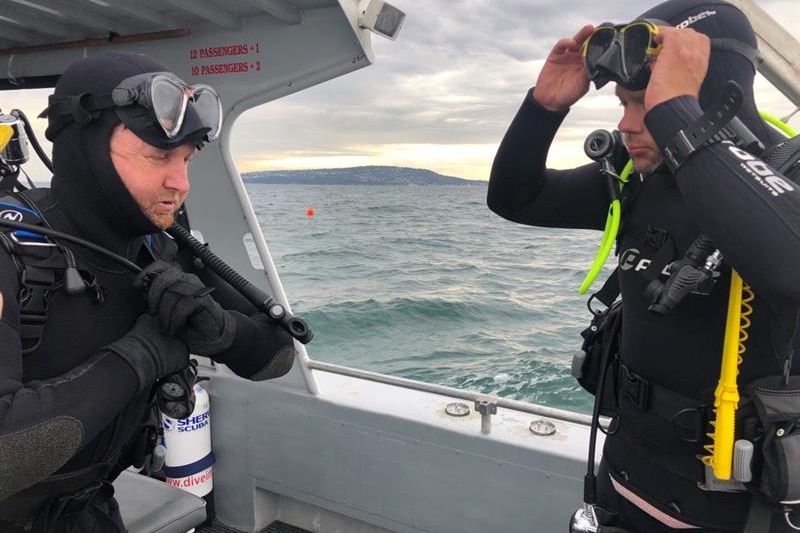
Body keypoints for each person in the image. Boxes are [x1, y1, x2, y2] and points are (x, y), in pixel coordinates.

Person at [488, 0, 800, 531]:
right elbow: (516, 198)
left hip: (740, 510)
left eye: (645, 105)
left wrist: (677, 115)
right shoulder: (639, 180)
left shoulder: (785, 182)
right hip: (625, 477)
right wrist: (543, 107)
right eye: (625, 104)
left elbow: (790, 272)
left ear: (708, 94)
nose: (628, 125)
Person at [0, 52, 298, 532]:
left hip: (93, 511)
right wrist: (145, 353)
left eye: (187, 159)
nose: (179, 183)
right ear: (85, 146)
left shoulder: (159, 244)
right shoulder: (12, 251)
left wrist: (219, 329)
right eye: (159, 156)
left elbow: (277, 357)